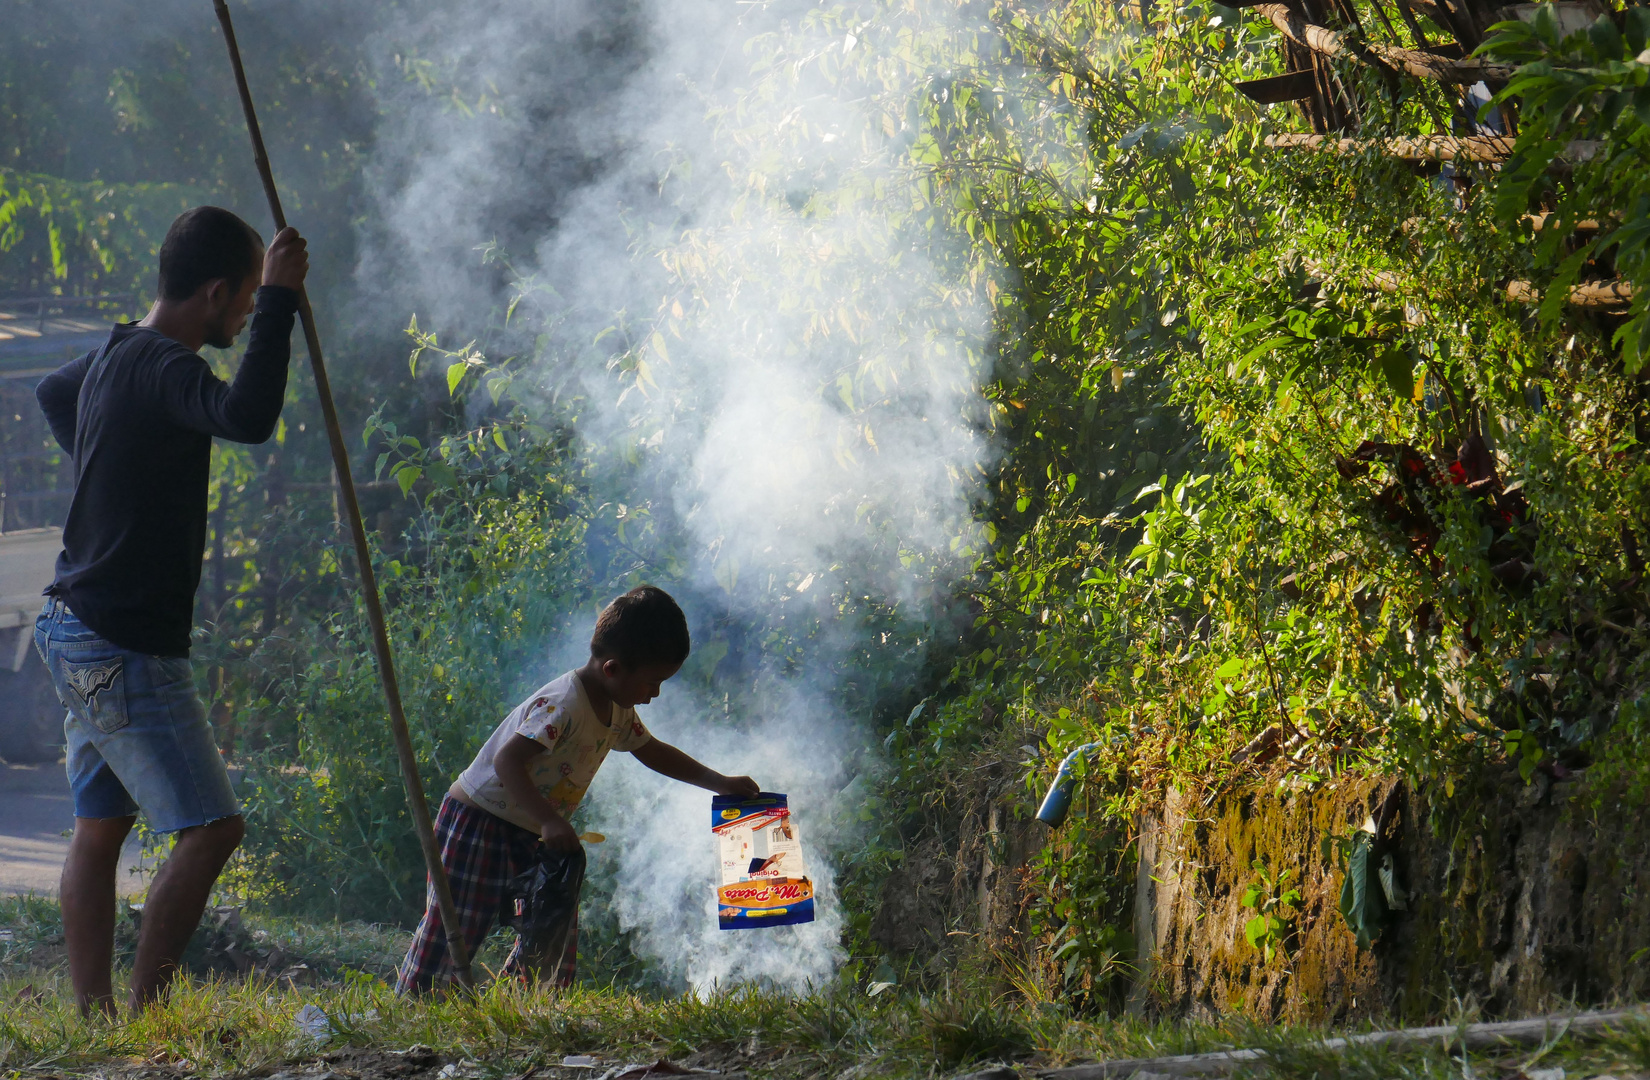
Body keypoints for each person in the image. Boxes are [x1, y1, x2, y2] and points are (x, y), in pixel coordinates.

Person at [33, 206, 308, 1015]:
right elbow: (248, 419)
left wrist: (113, 467)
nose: (252, 310)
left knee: (100, 826)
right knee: (213, 829)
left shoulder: (120, 350)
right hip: (122, 641)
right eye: (250, 297)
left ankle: (96, 1017)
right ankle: (151, 1016)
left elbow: (56, 392)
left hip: (75, 626)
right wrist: (288, 302)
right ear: (216, 292)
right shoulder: (168, 366)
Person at [397, 584, 759, 993]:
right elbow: (507, 760)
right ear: (612, 669)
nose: (654, 694)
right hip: (479, 823)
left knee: (551, 923)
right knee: (456, 926)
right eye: (652, 683)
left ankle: (529, 1005)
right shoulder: (563, 704)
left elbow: (652, 751)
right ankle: (415, 1001)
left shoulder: (619, 709)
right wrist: (549, 820)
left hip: (533, 830)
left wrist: (720, 783)